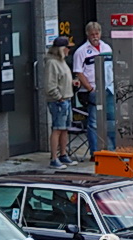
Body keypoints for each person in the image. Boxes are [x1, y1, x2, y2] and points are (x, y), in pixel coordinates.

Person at [73, 22, 118, 153]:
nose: (95, 37)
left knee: (111, 119)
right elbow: (78, 72)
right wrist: (90, 89)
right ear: (87, 34)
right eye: (92, 34)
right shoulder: (81, 52)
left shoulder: (106, 47)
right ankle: (95, 151)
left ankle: (113, 148)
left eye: (97, 34)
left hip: (108, 88)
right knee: (93, 122)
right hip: (92, 88)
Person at [45, 36, 74, 168]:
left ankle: (63, 154)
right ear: (61, 49)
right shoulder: (52, 63)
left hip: (66, 98)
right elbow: (50, 85)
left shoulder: (62, 61)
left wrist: (72, 83)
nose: (69, 50)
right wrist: (59, 97)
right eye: (68, 48)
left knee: (64, 129)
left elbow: (63, 79)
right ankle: (54, 157)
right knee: (57, 128)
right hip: (59, 101)